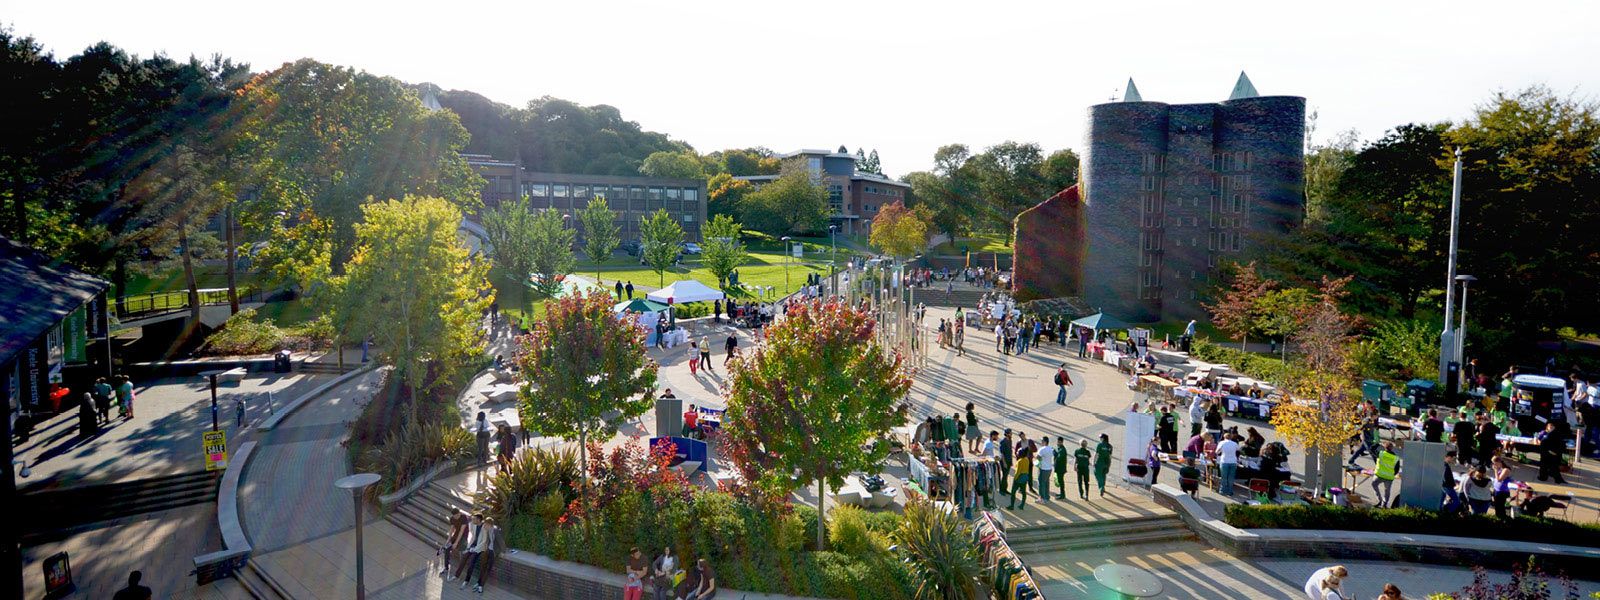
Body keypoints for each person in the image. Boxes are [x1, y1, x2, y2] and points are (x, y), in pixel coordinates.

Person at [454, 513, 494, 593]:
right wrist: (469, 547)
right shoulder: (474, 525)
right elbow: (472, 537)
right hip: (474, 547)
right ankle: (465, 579)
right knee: (468, 560)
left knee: (477, 563)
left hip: (481, 548)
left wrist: (475, 549)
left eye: (474, 519)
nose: (473, 520)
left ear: (479, 520)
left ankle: (478, 584)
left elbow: (484, 542)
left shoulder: (485, 527)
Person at [1371, 441, 1400, 508]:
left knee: (1374, 484)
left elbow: (1372, 449)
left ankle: (1379, 500)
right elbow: (1397, 469)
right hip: (1389, 477)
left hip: (1379, 475)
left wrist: (1378, 443)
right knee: (1387, 491)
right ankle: (1384, 505)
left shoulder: (1381, 454)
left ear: (1384, 447)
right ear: (1392, 448)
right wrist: (1392, 474)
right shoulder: (1396, 458)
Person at [1007, 443, 1033, 510]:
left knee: (1013, 492)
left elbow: (1018, 471)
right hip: (1025, 477)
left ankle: (1012, 505)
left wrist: (1015, 478)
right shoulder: (1026, 460)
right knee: (1024, 492)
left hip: (1019, 477)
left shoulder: (1020, 461)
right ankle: (1022, 505)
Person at [1217, 432, 1240, 496]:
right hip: (1233, 461)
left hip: (1224, 461)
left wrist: (1221, 451)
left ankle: (1222, 491)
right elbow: (1238, 449)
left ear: (1224, 437)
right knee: (1231, 478)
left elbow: (1217, 451)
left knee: (1224, 477)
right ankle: (1230, 491)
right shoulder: (1234, 443)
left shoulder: (1222, 443)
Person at [1036, 436, 1055, 502]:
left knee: (1041, 483)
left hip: (1043, 468)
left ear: (1044, 442)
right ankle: (1047, 497)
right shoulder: (1051, 448)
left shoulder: (1042, 449)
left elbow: (1038, 457)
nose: (1041, 442)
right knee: (1046, 483)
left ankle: (1042, 498)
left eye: (1042, 441)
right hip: (1049, 468)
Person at [999, 429, 1014, 494]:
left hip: (1009, 460)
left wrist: (1011, 461)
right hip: (1004, 461)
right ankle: (1002, 489)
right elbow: (1002, 454)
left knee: (1006, 475)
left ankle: (1005, 489)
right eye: (1010, 433)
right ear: (1007, 434)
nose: (1011, 434)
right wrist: (1004, 463)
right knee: (1004, 476)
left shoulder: (1010, 440)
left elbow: (1010, 451)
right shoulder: (1003, 441)